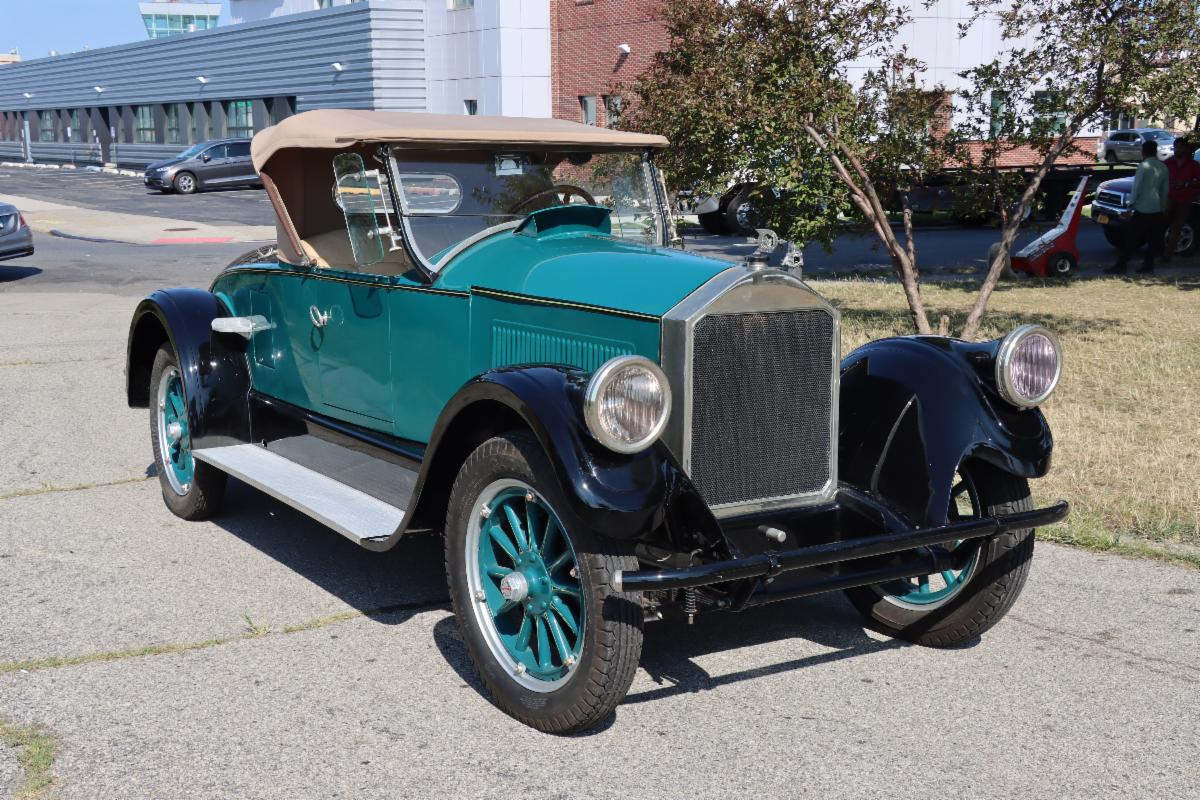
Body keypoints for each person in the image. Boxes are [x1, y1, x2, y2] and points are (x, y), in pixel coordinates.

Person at [1108, 139, 1169, 274]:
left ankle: (1121, 264)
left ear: (1143, 152)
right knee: (1152, 240)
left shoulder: (1143, 166)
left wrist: (1130, 205)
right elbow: (1165, 190)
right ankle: (1148, 266)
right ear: (1155, 151)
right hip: (1157, 208)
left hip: (1142, 209)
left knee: (1131, 238)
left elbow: (1137, 188)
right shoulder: (1163, 167)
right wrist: (1163, 207)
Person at [1163, 137, 1199, 263]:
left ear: (1186, 149)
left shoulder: (1193, 165)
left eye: (1180, 147)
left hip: (1185, 199)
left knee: (1178, 226)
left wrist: (1186, 184)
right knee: (1162, 222)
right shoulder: (1168, 163)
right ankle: (1159, 249)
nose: (1177, 150)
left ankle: (1168, 255)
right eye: (1176, 147)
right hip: (1169, 198)